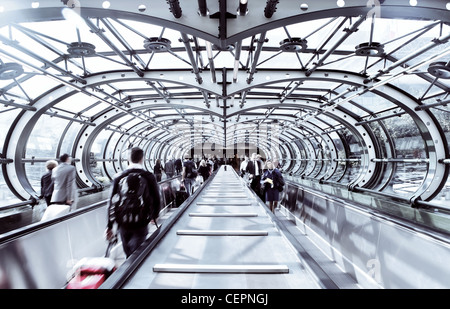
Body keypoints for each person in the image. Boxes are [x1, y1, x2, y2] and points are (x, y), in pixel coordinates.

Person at [106, 147, 161, 258]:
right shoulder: (149, 176)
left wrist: (110, 226)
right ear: (142, 159)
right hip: (141, 220)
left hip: (123, 222)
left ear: (128, 159)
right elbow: (157, 198)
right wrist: (154, 215)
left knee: (128, 254)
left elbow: (110, 202)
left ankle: (128, 269)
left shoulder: (119, 177)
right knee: (137, 254)